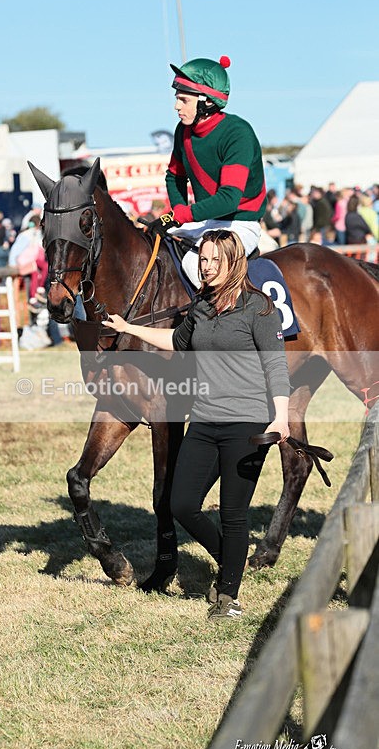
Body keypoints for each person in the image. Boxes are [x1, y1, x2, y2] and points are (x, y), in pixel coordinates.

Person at [104, 230, 290, 619]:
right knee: (181, 504)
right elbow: (177, 340)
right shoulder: (201, 307)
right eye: (202, 260)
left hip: (247, 422)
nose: (205, 267)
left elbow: (275, 364)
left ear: (232, 261)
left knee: (232, 511)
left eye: (213, 260)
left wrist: (282, 415)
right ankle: (230, 560)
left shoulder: (258, 308)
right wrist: (129, 328)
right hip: (205, 420)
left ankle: (228, 596)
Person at [149, 56, 267, 287]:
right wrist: (179, 211)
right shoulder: (182, 131)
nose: (176, 106)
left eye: (183, 100)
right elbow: (175, 176)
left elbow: (228, 200)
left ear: (207, 101)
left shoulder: (237, 133)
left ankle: (228, 322)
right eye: (177, 99)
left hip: (240, 222)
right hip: (207, 221)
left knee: (195, 265)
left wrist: (178, 216)